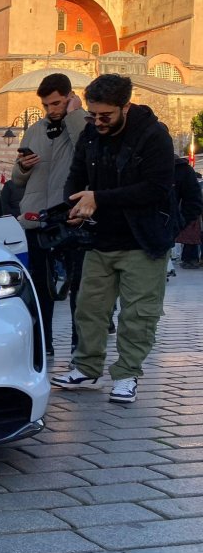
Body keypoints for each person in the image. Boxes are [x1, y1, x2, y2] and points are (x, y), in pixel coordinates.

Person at [52, 74, 177, 404]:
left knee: (138, 315)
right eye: (93, 114)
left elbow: (155, 188)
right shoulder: (91, 133)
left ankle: (126, 375)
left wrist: (99, 198)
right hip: (100, 238)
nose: (98, 122)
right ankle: (86, 369)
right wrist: (74, 205)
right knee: (89, 309)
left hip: (143, 241)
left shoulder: (154, 135)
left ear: (126, 106)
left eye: (105, 115)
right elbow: (76, 176)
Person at [12, 73, 89, 358]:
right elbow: (17, 179)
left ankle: (80, 348)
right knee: (40, 288)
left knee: (79, 288)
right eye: (46, 105)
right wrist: (23, 166)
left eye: (56, 103)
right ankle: (44, 345)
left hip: (71, 218)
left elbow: (87, 150)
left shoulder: (82, 123)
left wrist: (75, 115)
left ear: (70, 97)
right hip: (37, 219)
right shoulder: (34, 130)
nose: (51, 110)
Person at [174, 156, 203, 269]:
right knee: (191, 240)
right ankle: (191, 259)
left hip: (190, 218)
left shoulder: (182, 172)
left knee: (191, 240)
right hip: (190, 218)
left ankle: (190, 259)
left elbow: (194, 203)